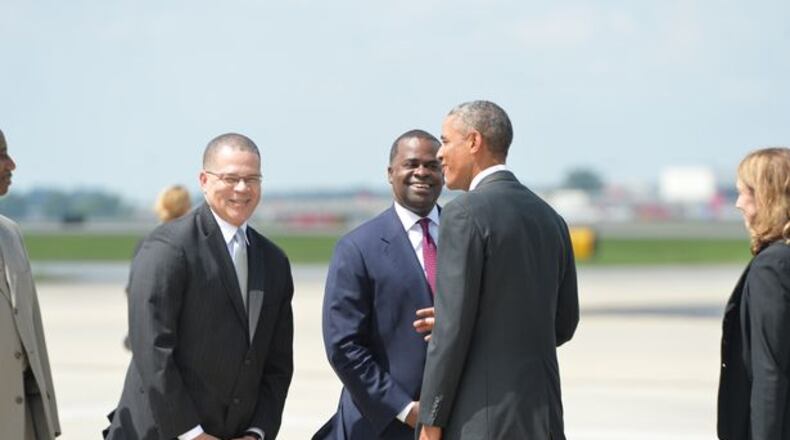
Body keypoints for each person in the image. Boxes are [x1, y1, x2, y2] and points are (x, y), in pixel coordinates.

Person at [105, 133, 294, 440]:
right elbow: (152, 351)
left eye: (252, 179)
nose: (242, 189)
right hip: (162, 432)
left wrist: (257, 432)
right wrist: (192, 434)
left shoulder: (274, 261)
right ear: (204, 181)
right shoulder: (167, 248)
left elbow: (277, 363)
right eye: (230, 178)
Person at [417, 101, 579, 440]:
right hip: (544, 418)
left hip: (483, 420)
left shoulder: (463, 213)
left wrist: (431, 422)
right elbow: (564, 324)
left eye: (446, 141)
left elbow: (451, 334)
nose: (440, 155)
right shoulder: (552, 219)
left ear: (474, 142)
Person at [313, 130, 443, 440]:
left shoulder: (468, 238)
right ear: (390, 173)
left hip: (456, 421)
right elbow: (344, 346)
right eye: (411, 163)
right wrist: (403, 409)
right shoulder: (358, 248)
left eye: (432, 164)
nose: (422, 172)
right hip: (381, 425)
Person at [718, 147, 790, 440]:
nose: (738, 204)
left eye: (745, 193)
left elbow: (770, 371)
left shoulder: (772, 267)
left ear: (767, 197)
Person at [0, 129, 61, 439]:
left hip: (22, 421)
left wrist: (45, 423)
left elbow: (31, 331)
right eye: (1, 155)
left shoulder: (11, 234)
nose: (11, 164)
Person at [124, 185, 192, 350]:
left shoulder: (146, 242)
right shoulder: (190, 243)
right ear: (187, 207)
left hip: (148, 326)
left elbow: (133, 289)